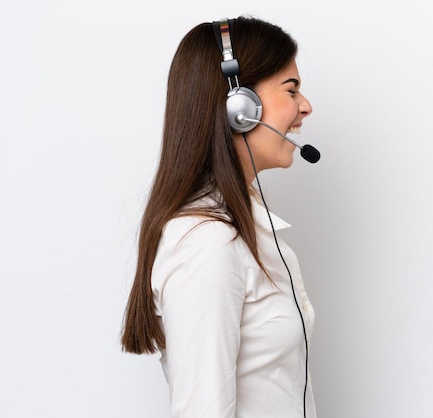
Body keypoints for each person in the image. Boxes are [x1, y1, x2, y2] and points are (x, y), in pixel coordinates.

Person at [120, 15, 318, 418]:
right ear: (239, 106)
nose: (305, 106)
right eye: (291, 89)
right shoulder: (206, 242)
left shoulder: (242, 229)